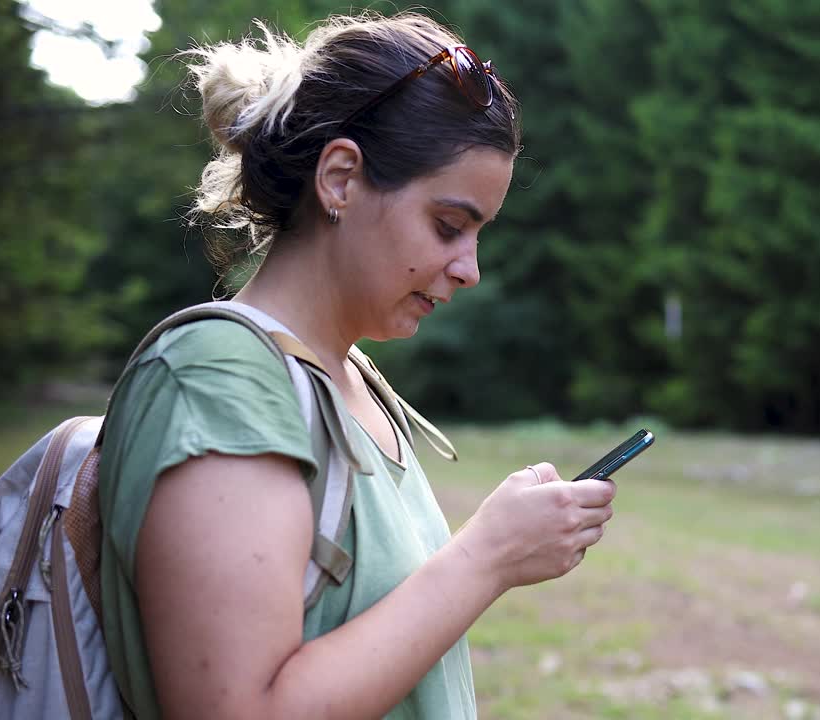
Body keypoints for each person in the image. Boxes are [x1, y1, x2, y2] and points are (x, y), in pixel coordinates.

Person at [96, 12, 616, 719]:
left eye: (477, 234)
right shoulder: (218, 380)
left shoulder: (351, 378)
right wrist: (487, 558)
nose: (470, 270)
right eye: (448, 226)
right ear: (339, 179)